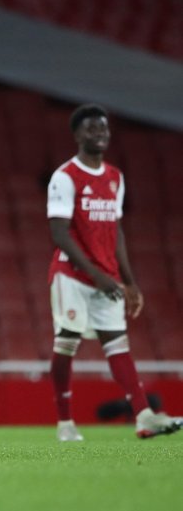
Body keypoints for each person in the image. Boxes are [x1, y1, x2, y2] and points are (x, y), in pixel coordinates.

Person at [47, 104, 182, 441]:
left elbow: (115, 230)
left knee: (118, 346)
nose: (100, 134)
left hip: (106, 277)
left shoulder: (115, 178)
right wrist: (97, 275)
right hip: (72, 275)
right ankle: (65, 422)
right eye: (92, 129)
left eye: (104, 129)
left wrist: (130, 281)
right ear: (77, 135)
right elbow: (59, 232)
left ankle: (145, 416)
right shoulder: (65, 176)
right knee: (67, 343)